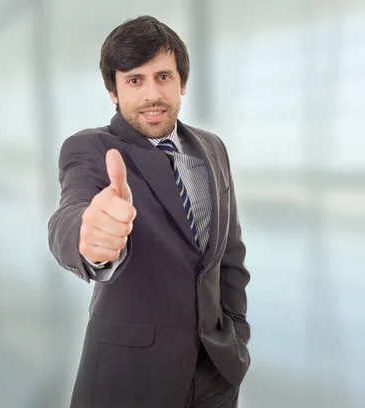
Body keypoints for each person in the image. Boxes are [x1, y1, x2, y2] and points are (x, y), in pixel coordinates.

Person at [48, 15, 251, 408]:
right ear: (113, 91)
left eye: (162, 77)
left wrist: (236, 335)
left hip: (217, 373)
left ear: (182, 83)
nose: (151, 94)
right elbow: (72, 211)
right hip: (131, 378)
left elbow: (230, 255)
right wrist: (88, 237)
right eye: (134, 80)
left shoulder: (212, 149)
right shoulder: (90, 149)